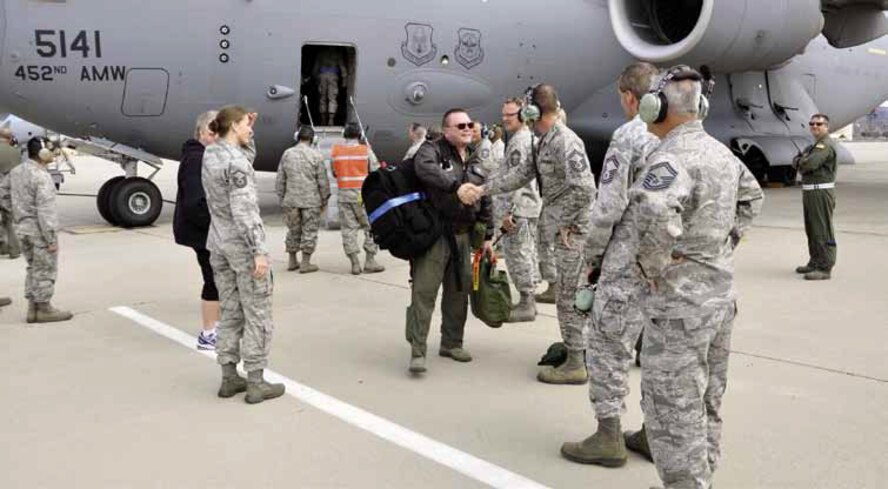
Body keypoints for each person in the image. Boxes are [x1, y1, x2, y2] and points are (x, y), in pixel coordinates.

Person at [623, 66, 763, 489]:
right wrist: (717, 248)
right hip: (719, 297)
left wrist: (657, 267)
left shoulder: (668, 157)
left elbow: (652, 212)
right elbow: (752, 198)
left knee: (671, 408)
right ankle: (701, 479)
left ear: (657, 106)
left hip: (679, 306)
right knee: (705, 401)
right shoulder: (721, 153)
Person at [460, 84, 597, 385]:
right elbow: (518, 176)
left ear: (531, 112)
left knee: (570, 297)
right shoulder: (542, 141)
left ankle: (576, 362)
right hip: (561, 230)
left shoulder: (565, 142)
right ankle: (578, 351)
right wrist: (482, 189)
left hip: (572, 233)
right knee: (566, 294)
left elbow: (586, 189)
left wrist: (566, 223)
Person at [560, 62, 660, 467]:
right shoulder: (684, 136)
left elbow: (609, 206)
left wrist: (593, 258)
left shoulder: (629, 134)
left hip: (626, 264)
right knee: (658, 350)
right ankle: (657, 434)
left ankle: (608, 436)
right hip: (669, 266)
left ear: (629, 97)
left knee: (607, 346)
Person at [202, 106, 285, 404]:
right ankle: (255, 381)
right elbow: (245, 210)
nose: (250, 130)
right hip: (241, 247)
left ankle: (228, 377)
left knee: (231, 311)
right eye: (245, 126)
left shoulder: (211, 153)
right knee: (258, 314)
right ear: (234, 127)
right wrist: (258, 252)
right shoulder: (235, 162)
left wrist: (248, 129)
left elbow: (243, 156)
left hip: (218, 243)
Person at [405, 109, 494, 374]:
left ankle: (452, 343)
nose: (468, 128)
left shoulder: (478, 160)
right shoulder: (431, 151)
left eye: (470, 124)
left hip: (464, 236)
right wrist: (456, 186)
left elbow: (485, 198)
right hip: (436, 236)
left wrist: (487, 236)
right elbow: (425, 171)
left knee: (459, 292)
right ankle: (418, 351)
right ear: (447, 131)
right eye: (461, 125)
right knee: (424, 293)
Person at [2, 137, 72, 323]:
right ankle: (44, 308)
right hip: (39, 231)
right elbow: (45, 211)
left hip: (22, 229)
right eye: (51, 150)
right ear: (43, 153)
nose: (54, 154)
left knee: (33, 267)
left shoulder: (16, 171)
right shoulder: (42, 176)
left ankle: (32, 309)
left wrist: (17, 212)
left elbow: (3, 194)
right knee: (45, 269)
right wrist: (50, 239)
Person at [173, 111, 221, 350]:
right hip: (203, 232)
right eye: (211, 133)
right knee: (212, 280)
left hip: (204, 230)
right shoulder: (196, 159)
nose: (215, 138)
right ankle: (209, 332)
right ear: (201, 132)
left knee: (217, 279)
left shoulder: (202, 155)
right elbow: (195, 202)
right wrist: (215, 225)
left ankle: (214, 327)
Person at [494, 97, 542, 323]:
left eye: (509, 115)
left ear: (523, 116)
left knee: (518, 254)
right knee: (528, 252)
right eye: (503, 114)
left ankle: (526, 303)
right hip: (528, 207)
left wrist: (508, 213)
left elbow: (516, 181)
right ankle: (529, 300)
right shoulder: (526, 139)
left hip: (518, 210)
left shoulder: (519, 143)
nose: (504, 119)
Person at [330, 123, 385, 275]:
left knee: (348, 229)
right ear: (359, 135)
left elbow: (334, 173)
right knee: (371, 227)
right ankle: (370, 260)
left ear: (344, 135)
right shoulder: (365, 150)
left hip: (344, 195)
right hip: (363, 196)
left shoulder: (335, 151)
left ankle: (354, 263)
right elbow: (375, 172)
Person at [276, 126, 330, 274]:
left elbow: (280, 178)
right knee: (309, 231)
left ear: (297, 137)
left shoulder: (287, 154)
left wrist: (281, 197)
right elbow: (323, 182)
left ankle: (292, 261)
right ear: (313, 139)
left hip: (291, 200)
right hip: (310, 201)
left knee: (293, 230)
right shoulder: (316, 156)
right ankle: (306, 263)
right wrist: (325, 199)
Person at [794, 113, 837, 281]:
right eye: (812, 124)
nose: (815, 126)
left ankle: (825, 267)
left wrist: (801, 161)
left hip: (821, 192)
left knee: (822, 229)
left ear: (827, 127)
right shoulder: (814, 146)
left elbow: (809, 164)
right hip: (811, 191)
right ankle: (814, 262)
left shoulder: (825, 145)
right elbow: (800, 162)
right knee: (812, 229)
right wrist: (802, 161)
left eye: (819, 124)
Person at [0, 127, 21, 259]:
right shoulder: (15, 152)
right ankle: (14, 250)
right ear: (9, 138)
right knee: (9, 222)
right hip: (9, 191)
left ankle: (2, 247)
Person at [313, 47, 348, 126]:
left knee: (322, 98)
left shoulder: (320, 53)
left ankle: (323, 120)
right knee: (332, 98)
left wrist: (316, 79)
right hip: (333, 76)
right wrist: (344, 81)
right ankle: (331, 120)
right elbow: (343, 68)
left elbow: (315, 69)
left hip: (322, 76)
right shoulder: (337, 54)